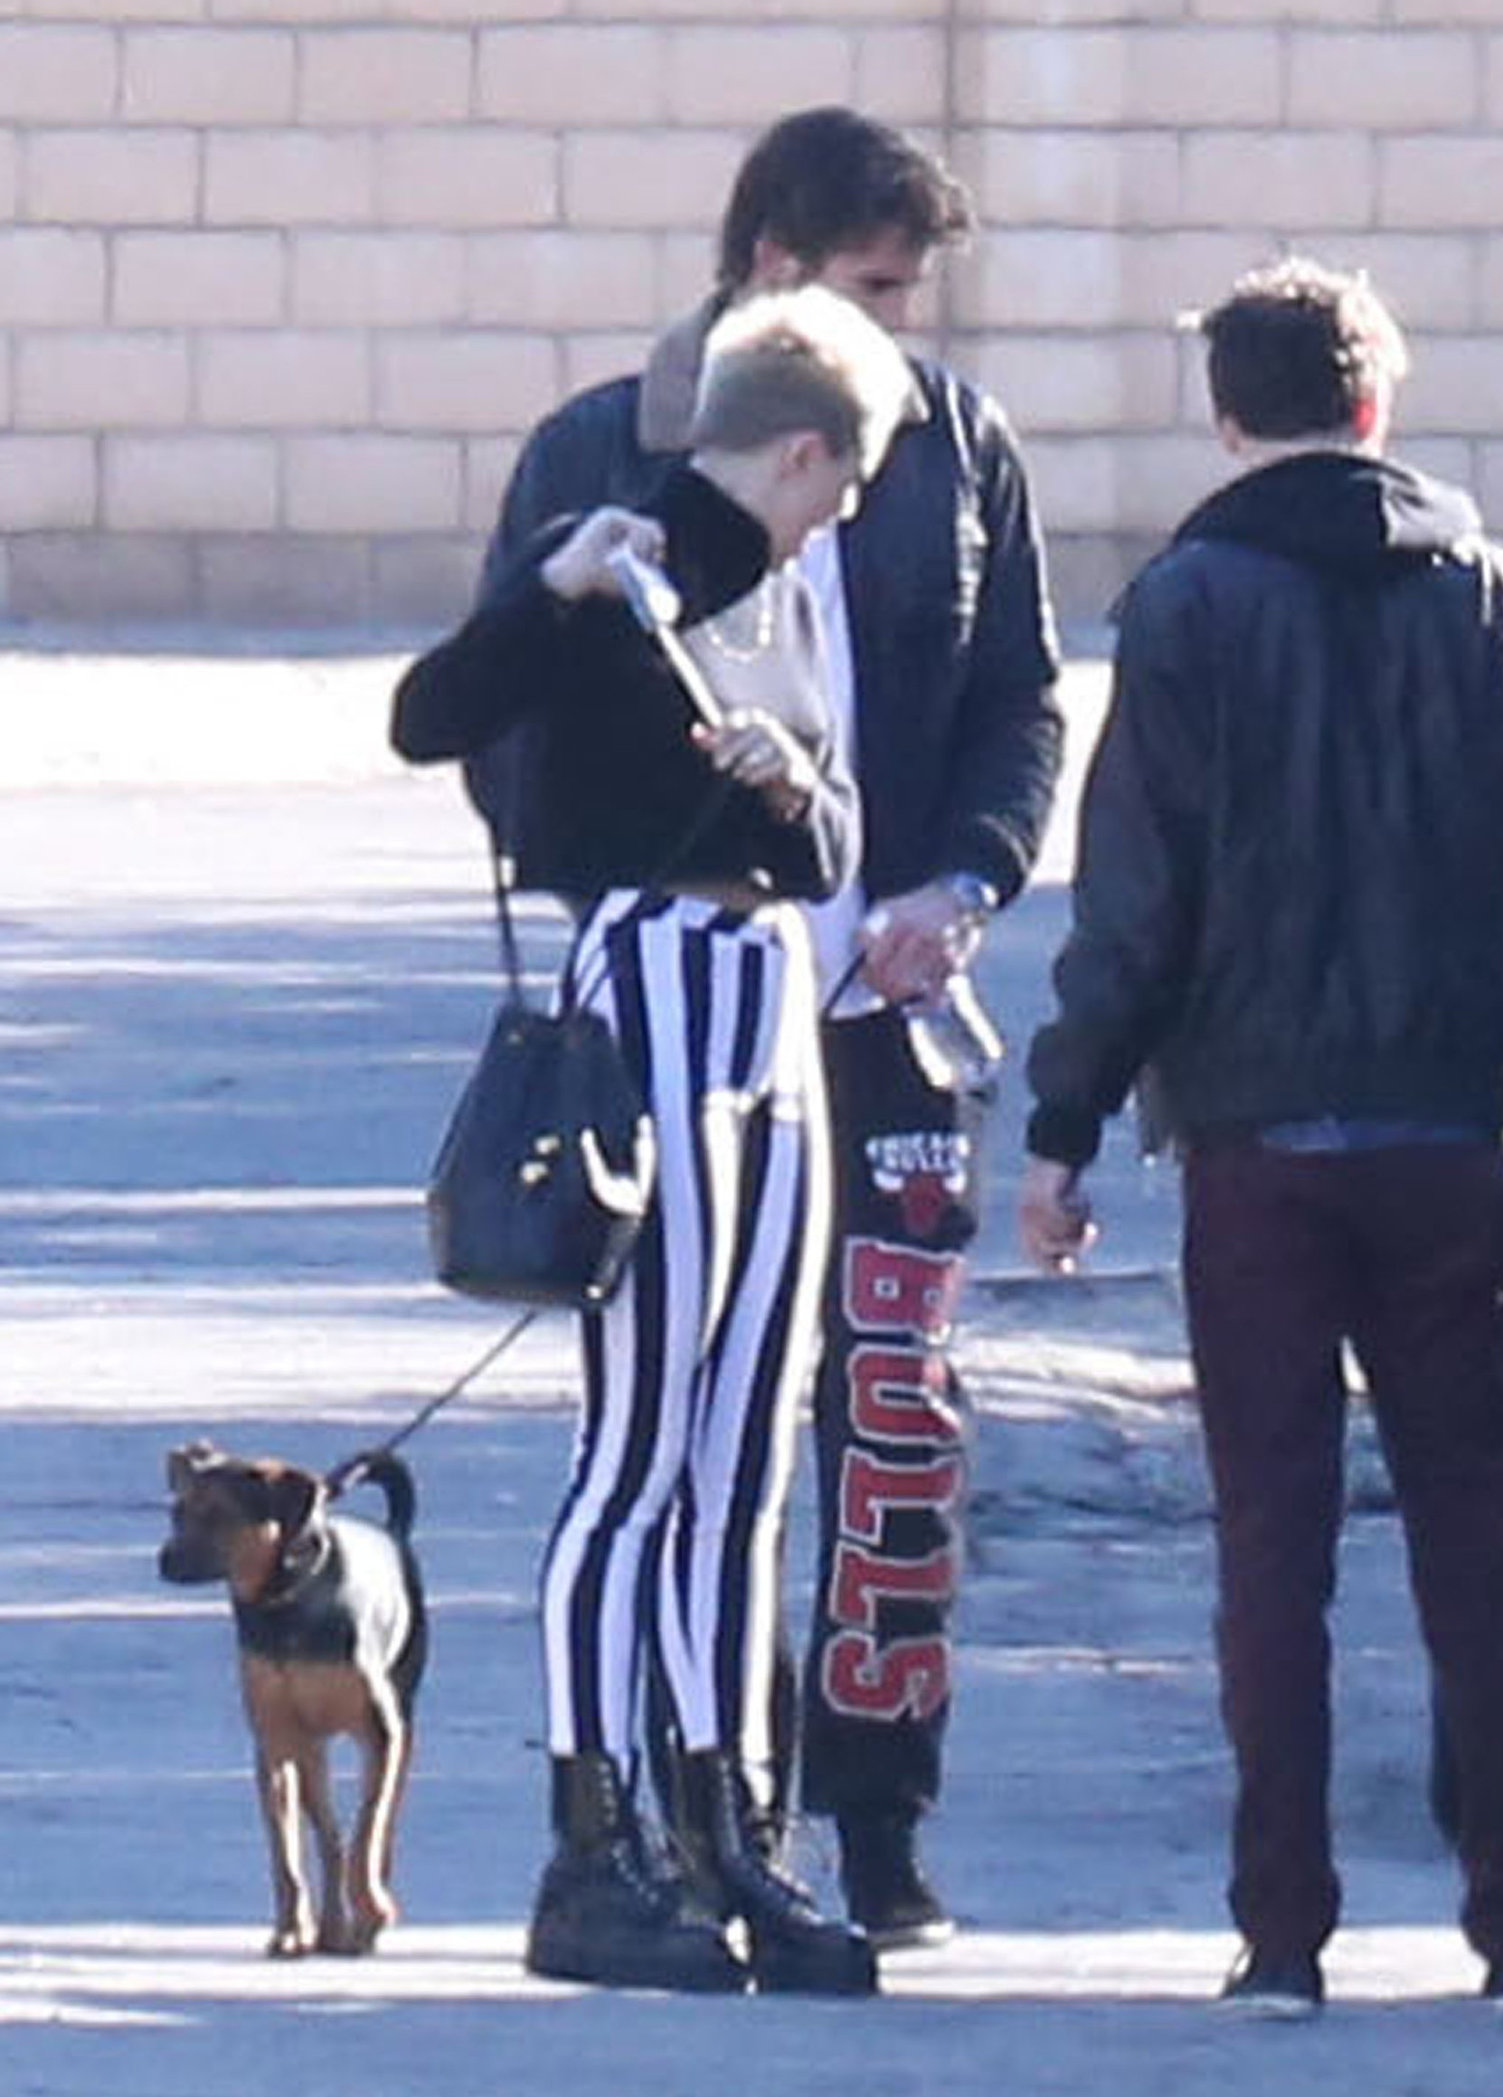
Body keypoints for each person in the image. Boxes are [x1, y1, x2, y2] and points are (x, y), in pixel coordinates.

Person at [1017, 259, 1503, 2022]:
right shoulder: (1493, 595)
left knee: (1271, 1545)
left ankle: (1282, 1935)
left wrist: (1063, 1126)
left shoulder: (1186, 609)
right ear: (1377, 402)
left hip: (1256, 1149)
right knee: (1478, 1536)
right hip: (1448, 1134)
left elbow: (1136, 908)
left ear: (1226, 415)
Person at [476, 107, 1063, 1948]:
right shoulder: (605, 449)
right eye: (875, 290)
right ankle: (630, 1824)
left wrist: (957, 883)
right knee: (658, 1432)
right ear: (774, 270)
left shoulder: (947, 447)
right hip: (673, 1010)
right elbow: (497, 734)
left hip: (878, 1015)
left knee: (878, 1422)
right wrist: (665, 848)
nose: (904, 332)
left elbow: (1019, 700)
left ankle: (848, 1821)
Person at [391, 284, 913, 1996]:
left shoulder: (791, 596)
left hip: (768, 993)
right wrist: (550, 589)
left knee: (749, 1442)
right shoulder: (625, 563)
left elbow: (831, 849)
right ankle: (591, 1835)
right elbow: (432, 715)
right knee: (640, 1439)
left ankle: (727, 1820)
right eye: (845, 479)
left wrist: (793, 786)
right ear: (802, 452)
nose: (842, 512)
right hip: (654, 984)